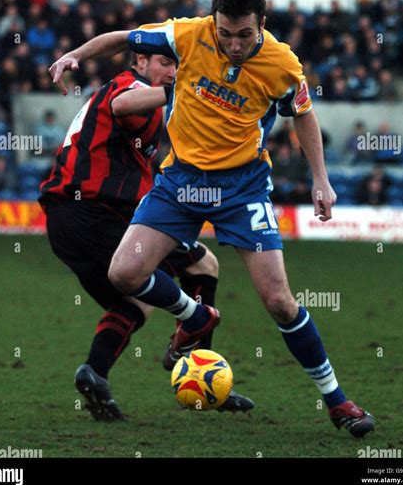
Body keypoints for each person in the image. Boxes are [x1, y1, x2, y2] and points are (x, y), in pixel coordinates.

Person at [49, 0, 374, 437]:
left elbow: (302, 113)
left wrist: (321, 179)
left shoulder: (281, 64)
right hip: (179, 181)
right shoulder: (187, 34)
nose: (234, 44)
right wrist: (76, 55)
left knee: (279, 301)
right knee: (123, 274)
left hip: (242, 189)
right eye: (226, 33)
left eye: (244, 34)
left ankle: (338, 402)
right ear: (213, 23)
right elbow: (124, 37)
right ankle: (195, 317)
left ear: (261, 25)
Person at [41, 53, 253, 420]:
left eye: (177, 67)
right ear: (140, 61)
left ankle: (96, 373)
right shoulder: (133, 86)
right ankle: (196, 327)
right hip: (96, 213)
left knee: (139, 301)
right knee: (199, 265)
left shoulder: (146, 97)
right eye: (163, 63)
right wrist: (183, 89)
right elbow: (124, 104)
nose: (172, 72)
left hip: (69, 222)